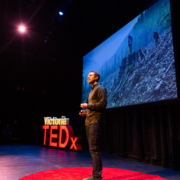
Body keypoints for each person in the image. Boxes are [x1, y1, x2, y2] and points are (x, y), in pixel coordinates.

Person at [79, 71, 107, 180]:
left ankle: (96, 176)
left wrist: (88, 106)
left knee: (94, 149)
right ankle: (95, 175)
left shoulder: (100, 88)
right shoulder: (92, 90)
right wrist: (85, 112)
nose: (88, 77)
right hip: (89, 121)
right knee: (92, 149)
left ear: (96, 77)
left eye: (90, 75)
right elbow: (93, 108)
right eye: (88, 75)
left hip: (95, 122)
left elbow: (103, 104)